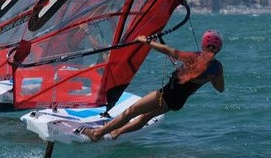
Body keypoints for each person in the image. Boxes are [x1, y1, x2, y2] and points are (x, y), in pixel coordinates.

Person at [82, 30, 225, 141]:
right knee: (144, 118)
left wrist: (147, 42)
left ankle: (97, 134)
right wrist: (209, 79)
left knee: (131, 111)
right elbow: (220, 89)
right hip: (177, 102)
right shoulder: (217, 68)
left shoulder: (195, 57)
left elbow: (168, 50)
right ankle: (116, 133)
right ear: (219, 49)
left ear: (203, 44)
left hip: (166, 95)